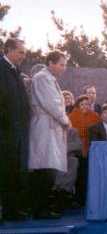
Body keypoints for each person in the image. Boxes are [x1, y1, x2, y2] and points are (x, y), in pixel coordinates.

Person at [29, 50, 72, 219]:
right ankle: (39, 209)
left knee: (49, 167)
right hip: (44, 127)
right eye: (61, 64)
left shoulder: (49, 79)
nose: (64, 68)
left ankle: (42, 206)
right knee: (44, 168)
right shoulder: (42, 78)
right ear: (51, 63)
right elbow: (51, 104)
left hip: (50, 127)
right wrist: (65, 119)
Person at [0, 38, 31, 222]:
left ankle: (12, 211)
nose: (23, 56)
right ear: (9, 50)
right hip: (4, 134)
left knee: (13, 174)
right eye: (21, 52)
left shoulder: (17, 73)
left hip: (17, 135)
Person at [68, 95, 101, 206]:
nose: (85, 106)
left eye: (87, 104)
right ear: (78, 105)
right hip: (78, 150)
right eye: (82, 104)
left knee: (91, 175)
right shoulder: (72, 116)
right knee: (80, 175)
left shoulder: (95, 116)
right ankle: (80, 199)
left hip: (92, 149)